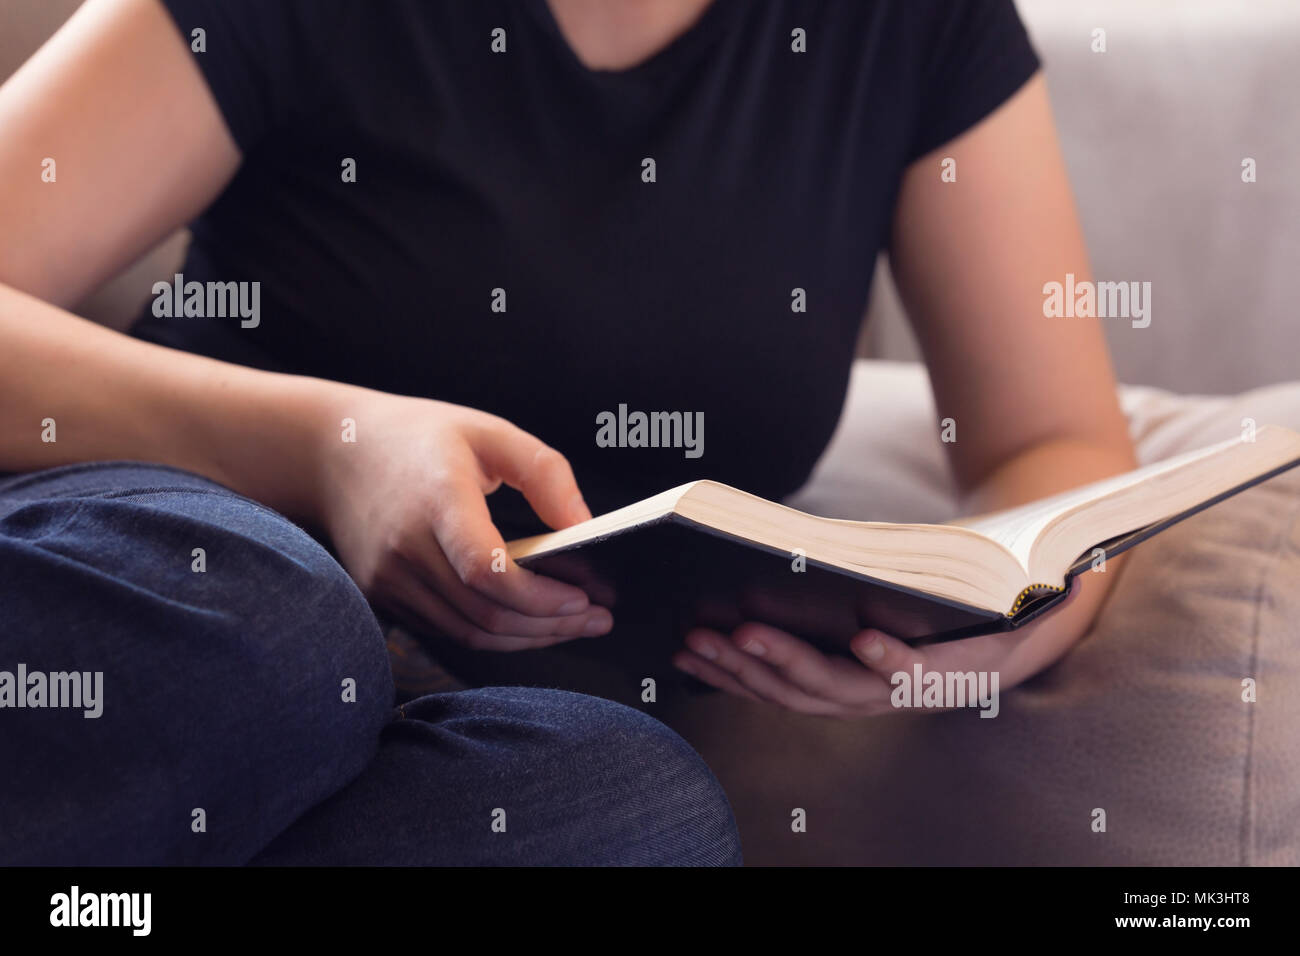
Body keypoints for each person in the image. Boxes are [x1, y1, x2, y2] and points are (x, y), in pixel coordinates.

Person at [0, 0, 1134, 864]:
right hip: (165, 573)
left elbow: (1053, 441)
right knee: (281, 634)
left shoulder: (911, 25)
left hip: (447, 717)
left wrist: (1005, 628)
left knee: (632, 809)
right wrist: (329, 445)